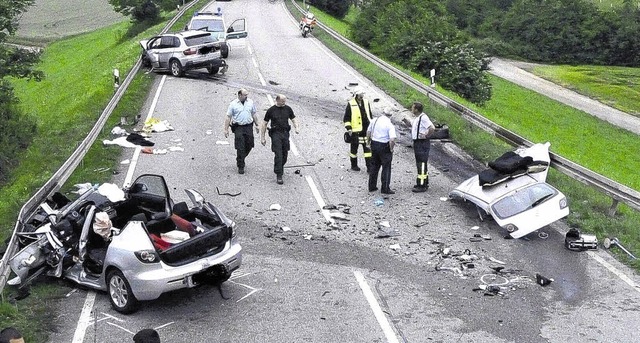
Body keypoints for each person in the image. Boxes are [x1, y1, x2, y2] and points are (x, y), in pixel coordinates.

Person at [260, 94, 300, 185]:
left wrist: (296, 127)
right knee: (278, 153)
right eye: (282, 101)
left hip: (285, 133)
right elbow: (264, 124)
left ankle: (279, 166)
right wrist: (263, 137)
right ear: (277, 100)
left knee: (285, 154)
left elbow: (293, 119)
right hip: (275, 133)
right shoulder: (271, 110)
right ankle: (279, 174)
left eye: (285, 101)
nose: (284, 103)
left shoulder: (288, 109)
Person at [224, 88, 259, 174]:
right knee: (240, 146)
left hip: (248, 126)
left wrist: (257, 125)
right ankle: (241, 165)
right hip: (238, 127)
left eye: (247, 95)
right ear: (240, 95)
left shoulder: (250, 102)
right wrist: (226, 129)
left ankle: (241, 157)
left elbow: (254, 113)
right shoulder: (233, 104)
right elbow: (228, 117)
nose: (247, 96)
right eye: (245, 95)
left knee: (250, 144)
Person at [366, 107, 397, 194]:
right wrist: (391, 149)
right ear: (390, 116)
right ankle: (385, 188)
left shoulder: (375, 120)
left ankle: (372, 186)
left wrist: (368, 143)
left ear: (383, 113)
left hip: (374, 144)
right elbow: (392, 139)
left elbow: (368, 132)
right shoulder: (389, 125)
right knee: (386, 168)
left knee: (374, 167)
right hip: (384, 146)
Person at [343, 87, 372, 171]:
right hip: (355, 132)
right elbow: (346, 118)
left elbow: (370, 115)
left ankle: (369, 167)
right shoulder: (351, 104)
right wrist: (349, 128)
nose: (362, 96)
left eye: (362, 94)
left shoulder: (366, 102)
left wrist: (372, 126)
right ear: (356, 95)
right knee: (353, 151)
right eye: (360, 95)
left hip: (366, 130)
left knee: (368, 151)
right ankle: (354, 165)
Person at [410, 102, 435, 192]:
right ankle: (424, 182)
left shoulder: (423, 118)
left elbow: (432, 128)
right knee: (421, 163)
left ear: (416, 109)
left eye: (412, 108)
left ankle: (421, 185)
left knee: (422, 163)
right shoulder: (418, 118)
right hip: (418, 142)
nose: (411, 109)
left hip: (422, 143)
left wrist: (426, 135)